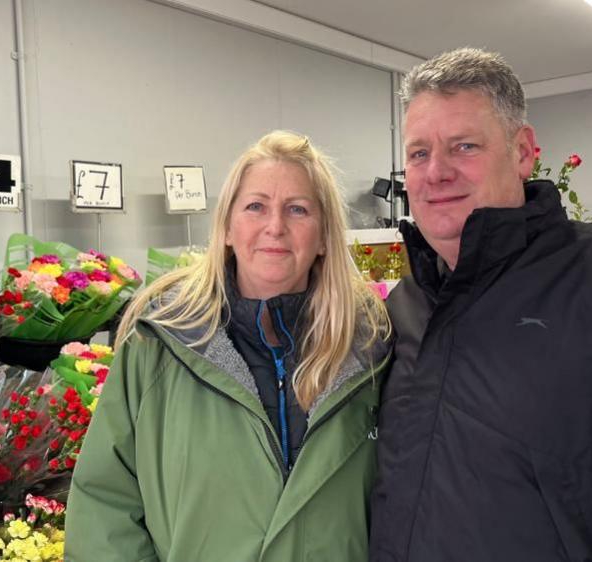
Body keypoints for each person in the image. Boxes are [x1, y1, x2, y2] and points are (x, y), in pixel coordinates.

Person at [370, 47, 592, 561]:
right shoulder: (407, 306)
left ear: (523, 152)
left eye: (464, 146)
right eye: (418, 154)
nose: (436, 172)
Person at [67, 130, 391, 561]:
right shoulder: (159, 341)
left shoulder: (369, 345)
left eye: (297, 209)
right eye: (256, 206)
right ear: (226, 228)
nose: (275, 226)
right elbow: (104, 504)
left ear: (325, 236)